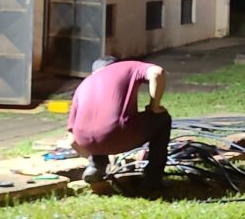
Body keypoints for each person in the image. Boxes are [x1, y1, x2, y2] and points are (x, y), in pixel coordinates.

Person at [67, 56, 171, 188]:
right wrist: (154, 107)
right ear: (115, 65)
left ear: (94, 72)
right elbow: (157, 72)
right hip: (119, 133)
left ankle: (96, 166)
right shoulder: (124, 67)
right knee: (162, 119)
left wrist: (91, 155)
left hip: (86, 142)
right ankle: (153, 180)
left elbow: (71, 140)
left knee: (99, 125)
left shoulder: (84, 84)